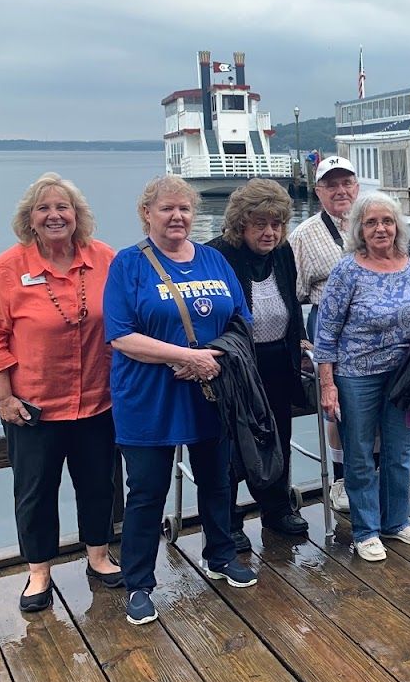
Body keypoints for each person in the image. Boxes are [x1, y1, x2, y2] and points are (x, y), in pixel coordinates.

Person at [105, 175, 257, 626]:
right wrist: (184, 355)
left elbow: (241, 320)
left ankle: (220, 554)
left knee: (216, 479)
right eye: (167, 209)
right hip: (149, 397)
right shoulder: (128, 265)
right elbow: (121, 335)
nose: (177, 217)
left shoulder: (213, 259)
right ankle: (139, 583)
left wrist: (209, 359)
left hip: (210, 390)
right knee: (147, 492)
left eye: (185, 209)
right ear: (147, 214)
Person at [0, 173, 122, 612]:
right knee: (35, 491)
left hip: (99, 399)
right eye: (44, 209)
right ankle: (39, 571)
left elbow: (132, 314)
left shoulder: (106, 259)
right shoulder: (7, 269)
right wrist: (4, 397)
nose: (54, 215)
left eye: (63, 207)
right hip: (32, 406)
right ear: (30, 220)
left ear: (78, 216)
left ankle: (99, 555)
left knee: (99, 483)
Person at [315, 193, 410, 559]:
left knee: (400, 450)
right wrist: (328, 384)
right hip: (358, 374)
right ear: (359, 229)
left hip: (407, 371)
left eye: (387, 221)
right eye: (371, 222)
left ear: (397, 225)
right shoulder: (346, 270)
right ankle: (366, 530)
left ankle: (396, 522)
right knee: (359, 454)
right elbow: (326, 332)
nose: (380, 228)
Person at [208, 179, 309, 551]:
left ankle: (276, 508)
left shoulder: (282, 253)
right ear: (240, 224)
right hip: (236, 367)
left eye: (277, 224)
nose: (270, 232)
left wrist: (299, 342)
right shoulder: (216, 255)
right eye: (260, 224)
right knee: (233, 443)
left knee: (277, 436)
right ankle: (229, 520)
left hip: (277, 361)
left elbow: (292, 302)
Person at [289, 154, 358, 513]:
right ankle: (342, 480)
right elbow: (294, 292)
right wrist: (303, 340)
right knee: (339, 404)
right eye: (331, 185)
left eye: (346, 183)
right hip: (330, 328)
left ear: (357, 186)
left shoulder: (372, 220)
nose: (340, 191)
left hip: (374, 331)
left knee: (375, 402)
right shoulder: (303, 235)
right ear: (318, 191)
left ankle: (372, 474)